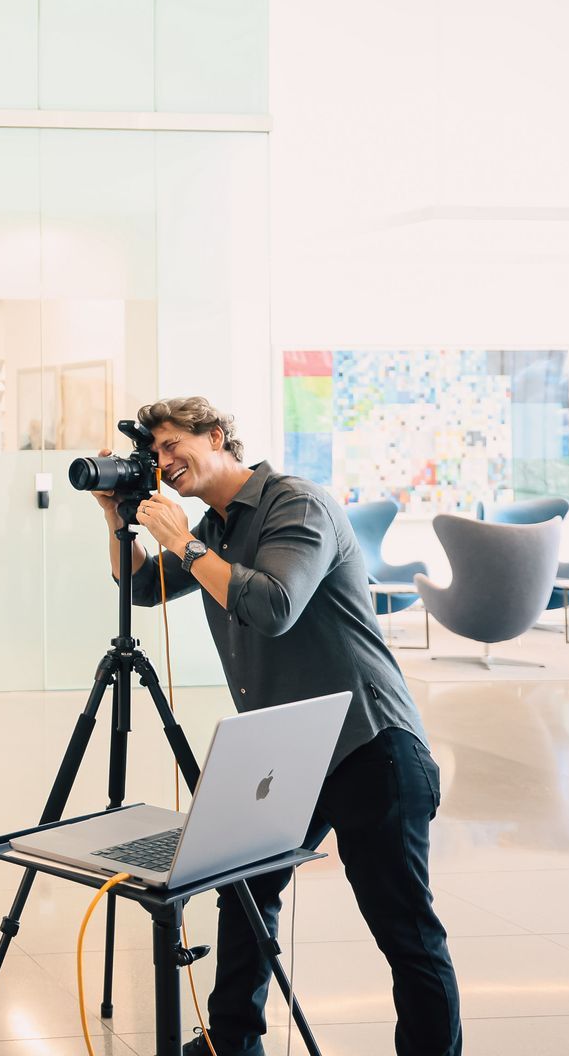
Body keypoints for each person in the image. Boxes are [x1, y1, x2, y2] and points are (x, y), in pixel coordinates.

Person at [98, 396, 460, 1056]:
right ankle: (231, 1042)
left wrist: (181, 539)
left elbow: (273, 606)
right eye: (154, 453)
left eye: (174, 443)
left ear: (217, 436)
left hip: (367, 744)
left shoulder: (295, 504)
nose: (164, 460)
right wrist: (112, 515)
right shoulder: (217, 525)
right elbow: (143, 589)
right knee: (242, 892)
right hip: (287, 750)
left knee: (404, 931)